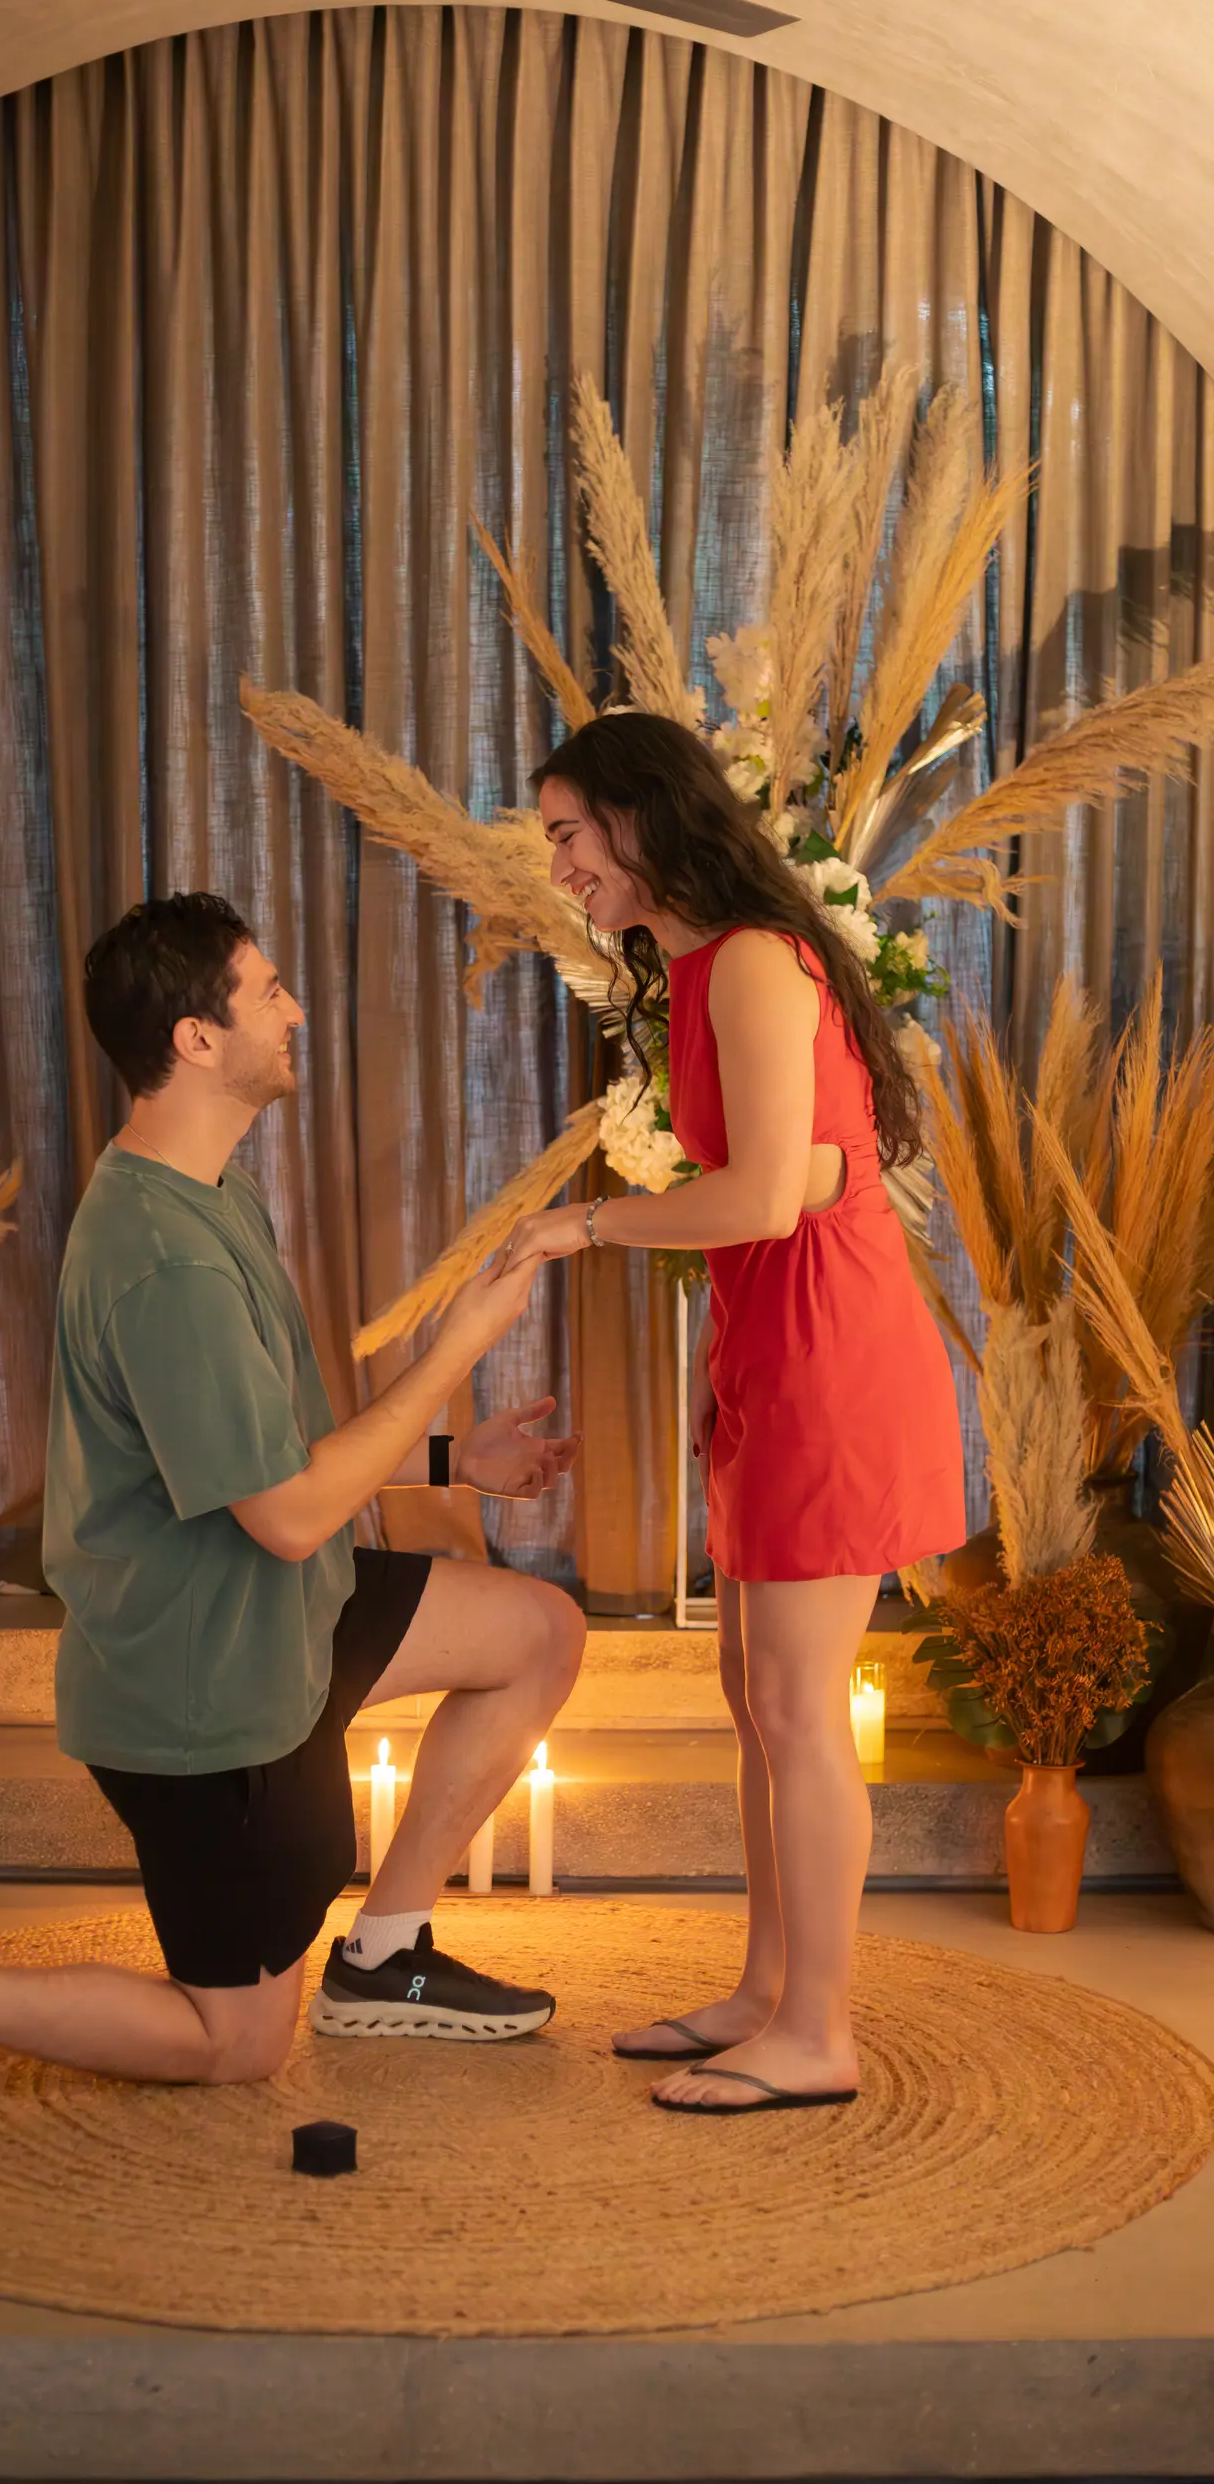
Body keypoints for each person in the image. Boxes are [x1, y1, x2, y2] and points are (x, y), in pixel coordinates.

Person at [0, 892, 585, 2086]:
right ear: (196, 1039)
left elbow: (273, 1448)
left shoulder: (207, 1191)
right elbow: (290, 1516)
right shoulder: (165, 1255)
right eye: (269, 991)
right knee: (232, 2046)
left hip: (281, 1619)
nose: (294, 1011)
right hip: (208, 1697)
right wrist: (457, 1345)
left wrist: (455, 1462)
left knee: (537, 1632)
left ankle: (384, 1953)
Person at [506, 713, 964, 2117]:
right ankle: (768, 1990)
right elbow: (814, 1166)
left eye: (571, 836)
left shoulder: (758, 960)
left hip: (830, 1350)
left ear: (644, 819)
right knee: (751, 1696)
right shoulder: (709, 963)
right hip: (776, 1343)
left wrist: (586, 1223)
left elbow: (767, 1194)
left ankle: (818, 2028)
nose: (564, 867)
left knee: (794, 1702)